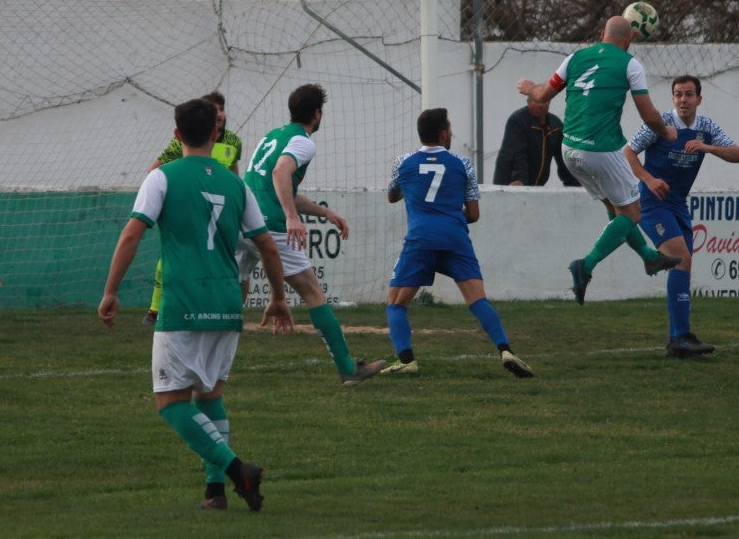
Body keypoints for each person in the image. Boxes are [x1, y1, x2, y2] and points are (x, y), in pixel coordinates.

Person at [98, 98, 293, 511]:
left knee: (171, 404)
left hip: (183, 303)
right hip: (225, 303)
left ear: (176, 134)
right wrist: (278, 297)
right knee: (210, 395)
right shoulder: (235, 184)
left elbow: (132, 234)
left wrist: (111, 290)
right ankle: (215, 492)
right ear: (216, 133)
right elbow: (267, 248)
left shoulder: (162, 177)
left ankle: (237, 469)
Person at [517, 15, 680, 305]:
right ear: (629, 39)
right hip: (602, 150)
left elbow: (541, 95)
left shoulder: (575, 57)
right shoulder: (630, 64)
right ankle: (586, 264)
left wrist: (529, 87)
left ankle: (650, 258)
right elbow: (648, 113)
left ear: (602, 33)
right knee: (632, 214)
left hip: (570, 148)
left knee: (614, 207)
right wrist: (666, 131)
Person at [241, 83, 387, 385]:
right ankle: (348, 368)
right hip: (271, 226)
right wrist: (292, 218)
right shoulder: (303, 141)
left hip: (242, 220)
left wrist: (326, 213)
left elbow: (280, 188)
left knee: (234, 288)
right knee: (312, 291)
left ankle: (209, 362)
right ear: (317, 113)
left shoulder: (272, 136)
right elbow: (280, 174)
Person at [382, 108, 534, 377]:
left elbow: (392, 196)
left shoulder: (403, 162)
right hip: (455, 238)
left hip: (421, 239)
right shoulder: (463, 165)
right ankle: (505, 350)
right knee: (477, 300)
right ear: (443, 133)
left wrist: (417, 196)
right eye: (450, 129)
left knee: (396, 303)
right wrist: (448, 214)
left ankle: (406, 360)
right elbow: (474, 215)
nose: (451, 133)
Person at [623, 76, 739, 358]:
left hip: (678, 205)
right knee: (681, 259)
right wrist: (648, 178)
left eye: (689, 94)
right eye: (678, 94)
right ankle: (680, 337)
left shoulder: (707, 127)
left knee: (683, 265)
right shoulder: (661, 124)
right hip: (652, 203)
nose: (683, 100)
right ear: (673, 99)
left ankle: (679, 339)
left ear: (699, 99)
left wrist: (708, 148)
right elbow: (628, 152)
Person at [144, 91, 246, 324]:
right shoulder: (183, 142)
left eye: (222, 108)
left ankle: (223, 308)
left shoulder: (233, 142)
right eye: (214, 109)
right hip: (191, 209)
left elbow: (234, 176)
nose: (219, 114)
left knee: (229, 260)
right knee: (168, 263)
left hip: (218, 212)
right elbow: (154, 169)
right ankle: (154, 309)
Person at [492, 97, 580, 187]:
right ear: (528, 102)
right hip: (509, 184)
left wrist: (576, 182)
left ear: (549, 103)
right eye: (537, 101)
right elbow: (517, 154)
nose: (541, 105)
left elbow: (564, 156)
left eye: (545, 101)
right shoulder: (517, 120)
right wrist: (519, 179)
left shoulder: (555, 125)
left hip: (537, 185)